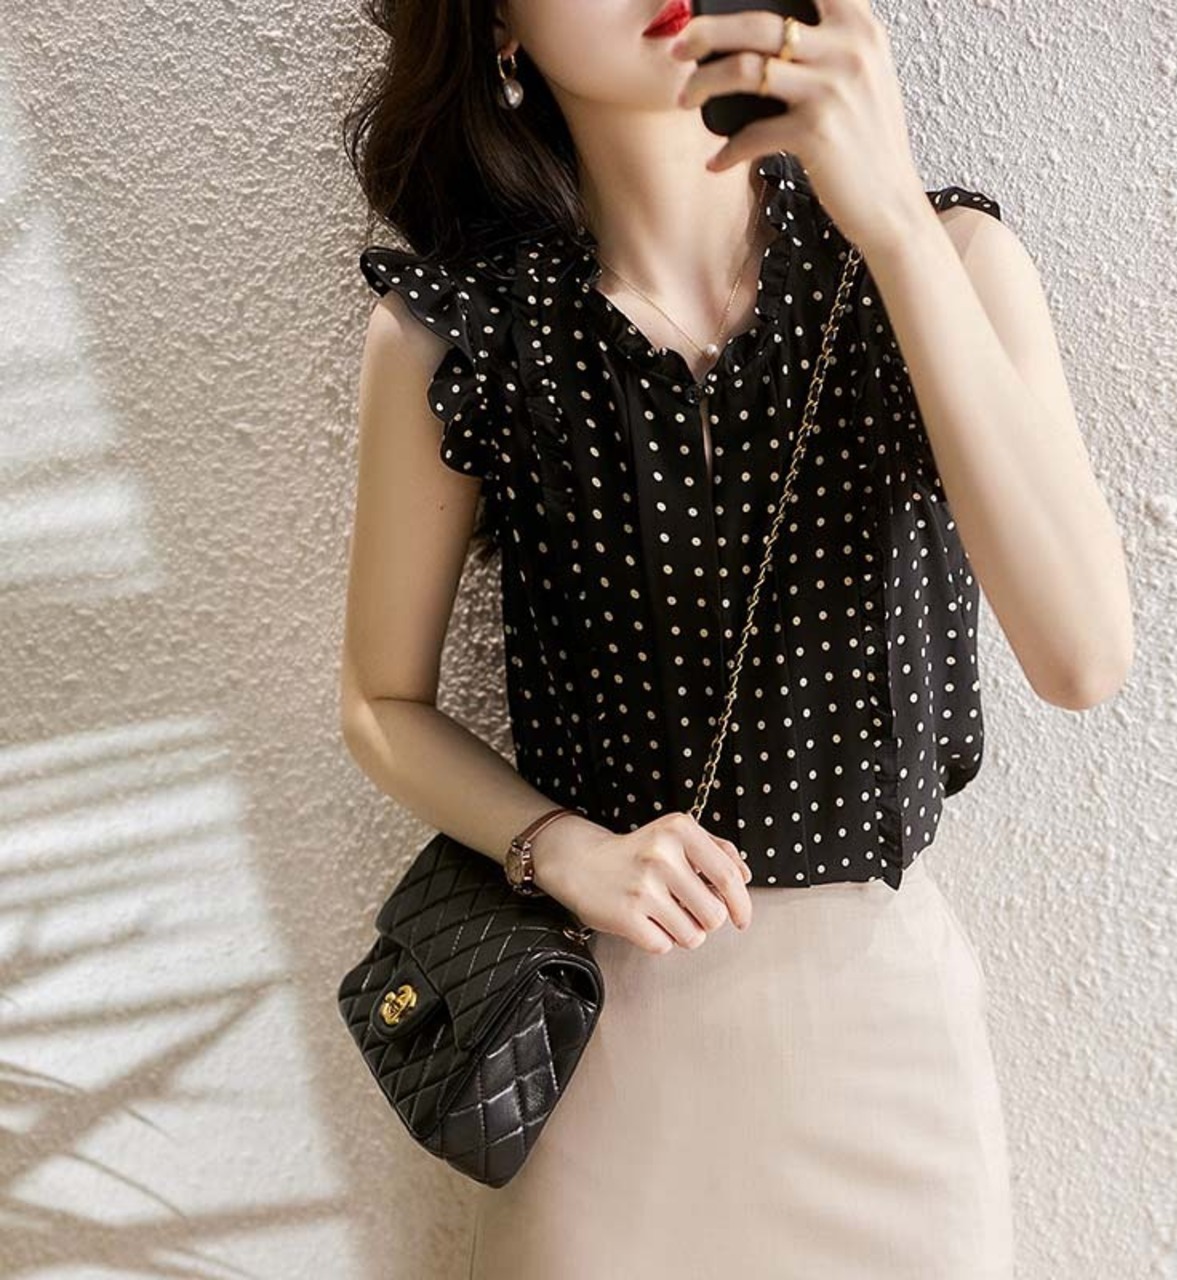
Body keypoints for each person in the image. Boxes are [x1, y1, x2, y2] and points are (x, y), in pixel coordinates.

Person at [339, 0, 1133, 1275]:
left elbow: (1081, 658)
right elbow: (380, 700)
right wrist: (560, 848)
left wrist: (888, 220)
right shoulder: (462, 334)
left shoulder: (945, 257)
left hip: (884, 1061)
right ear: (496, 28)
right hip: (602, 1057)